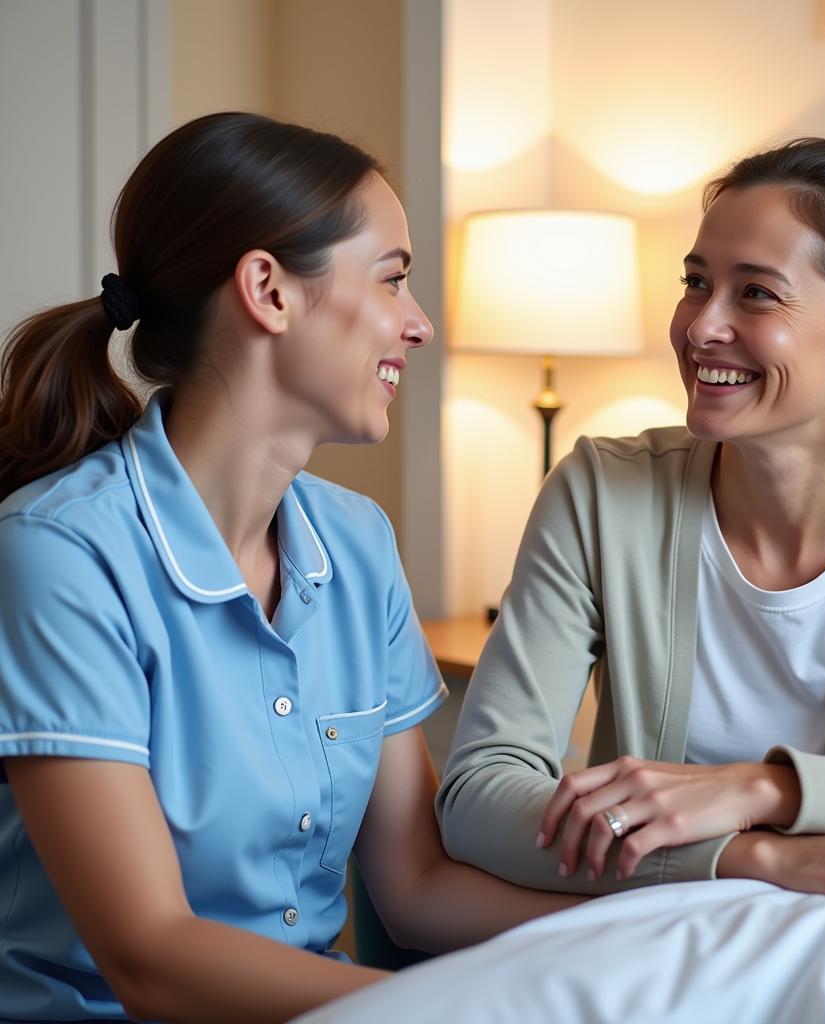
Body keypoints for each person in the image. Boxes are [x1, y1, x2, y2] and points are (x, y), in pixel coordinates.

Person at [0, 112, 579, 1024]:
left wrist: (649, 930)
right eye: (393, 278)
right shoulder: (60, 555)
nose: (418, 324)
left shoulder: (358, 543)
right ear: (269, 290)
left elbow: (417, 883)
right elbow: (150, 956)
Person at [438, 99, 825, 904]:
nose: (699, 326)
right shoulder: (601, 492)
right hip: (655, 942)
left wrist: (768, 790)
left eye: (755, 295)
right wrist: (751, 856)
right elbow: (476, 797)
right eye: (696, 283)